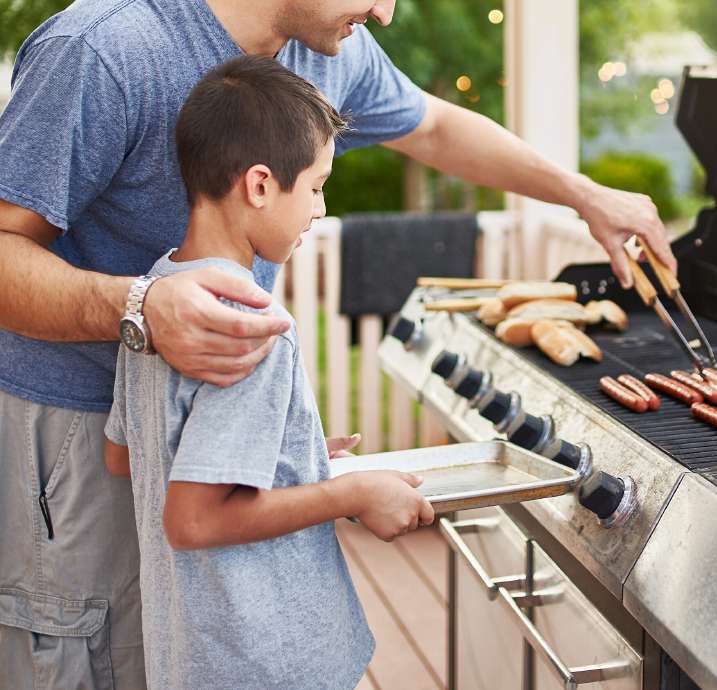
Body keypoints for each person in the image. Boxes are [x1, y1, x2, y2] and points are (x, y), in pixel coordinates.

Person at [0, 0, 675, 687]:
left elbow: (436, 129)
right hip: (68, 438)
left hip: (175, 443)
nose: (385, 11)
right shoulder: (105, 49)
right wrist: (140, 308)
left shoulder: (326, 47)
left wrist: (584, 195)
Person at [104, 55, 431, 690]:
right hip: (268, 659)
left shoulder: (157, 295)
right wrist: (352, 493)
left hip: (189, 654)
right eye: (315, 186)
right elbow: (193, 519)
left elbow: (127, 455)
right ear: (259, 185)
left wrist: (290, 454)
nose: (321, 209)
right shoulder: (252, 323)